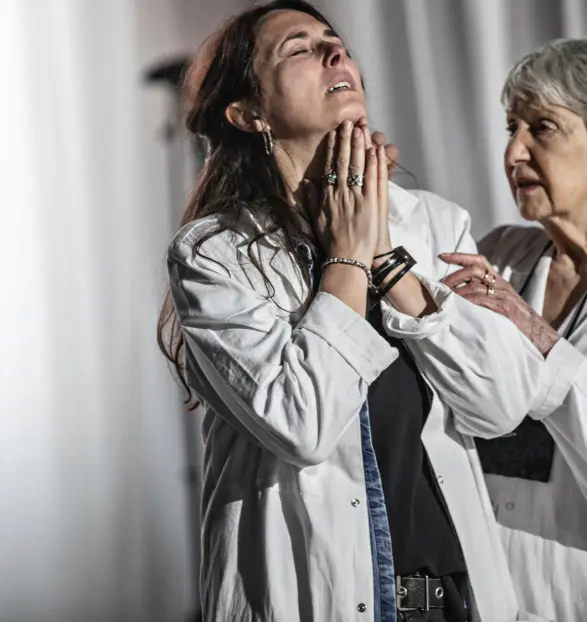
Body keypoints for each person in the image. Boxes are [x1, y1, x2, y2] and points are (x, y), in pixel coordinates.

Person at [158, 2, 567, 620]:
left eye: (337, 42)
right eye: (299, 48)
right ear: (249, 113)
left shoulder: (430, 222)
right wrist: (348, 257)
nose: (336, 53)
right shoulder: (215, 253)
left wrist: (387, 259)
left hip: (448, 602)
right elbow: (304, 425)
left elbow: (501, 408)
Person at [440, 38, 587, 622]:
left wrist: (538, 338)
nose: (513, 152)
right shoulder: (498, 254)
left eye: (542, 127)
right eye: (511, 128)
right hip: (479, 587)